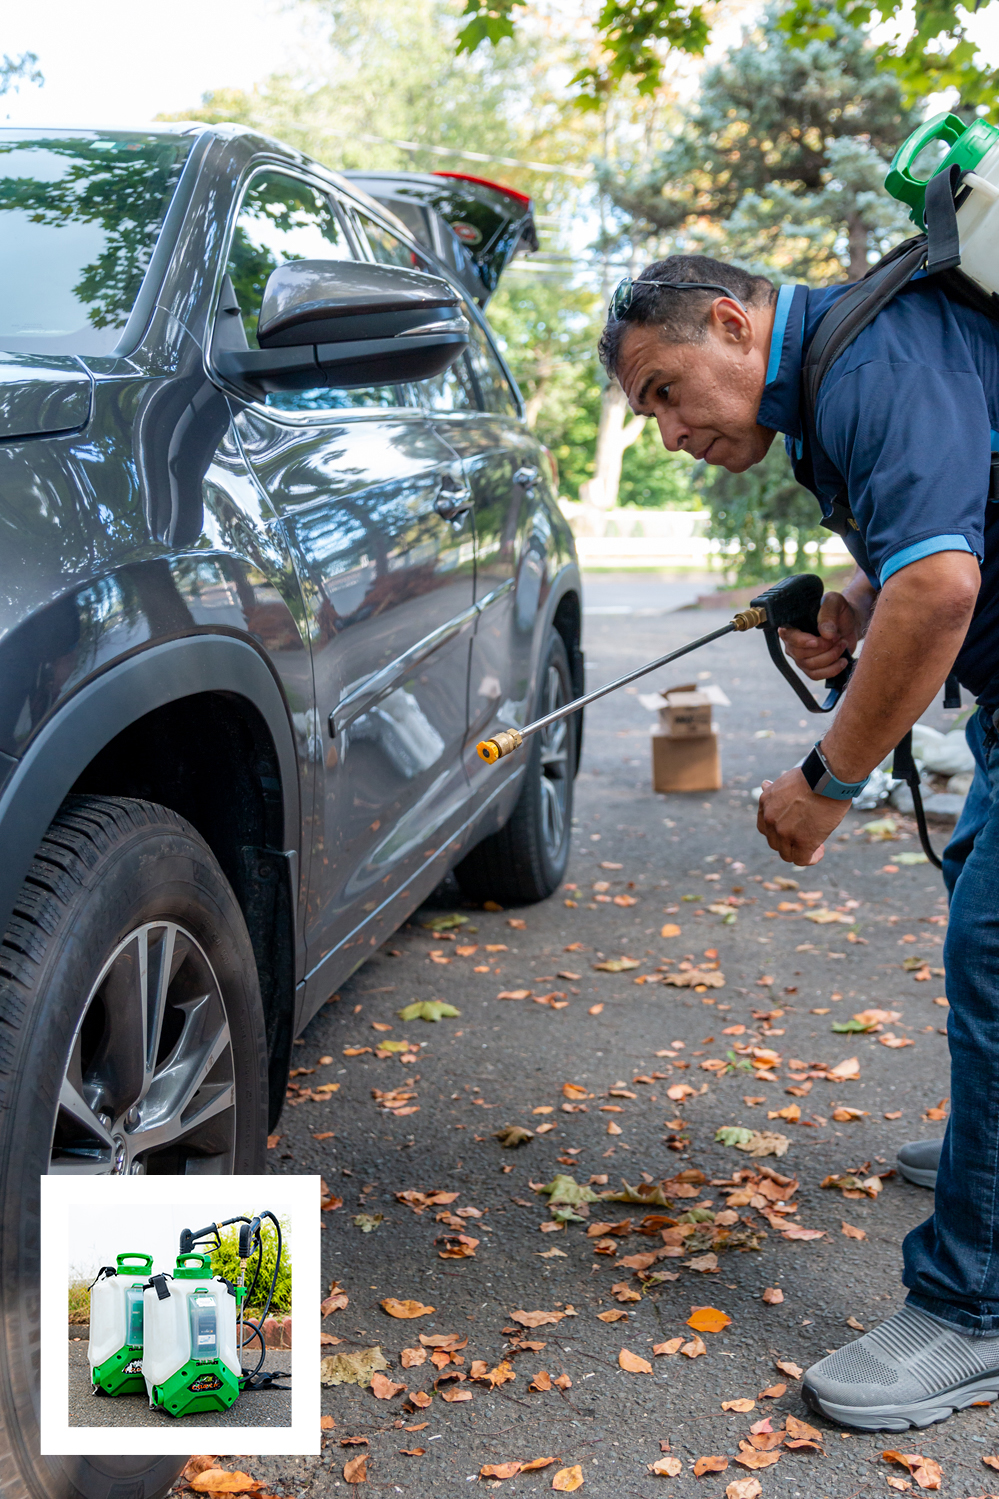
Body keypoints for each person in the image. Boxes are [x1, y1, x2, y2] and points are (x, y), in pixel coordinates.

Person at [597, 254, 999, 1431]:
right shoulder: (838, 380)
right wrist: (856, 613)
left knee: (995, 961)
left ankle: (970, 1308)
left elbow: (941, 587)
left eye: (666, 391)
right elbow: (921, 563)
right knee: (978, 875)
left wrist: (829, 780)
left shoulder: (874, 359)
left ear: (731, 322)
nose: (667, 431)